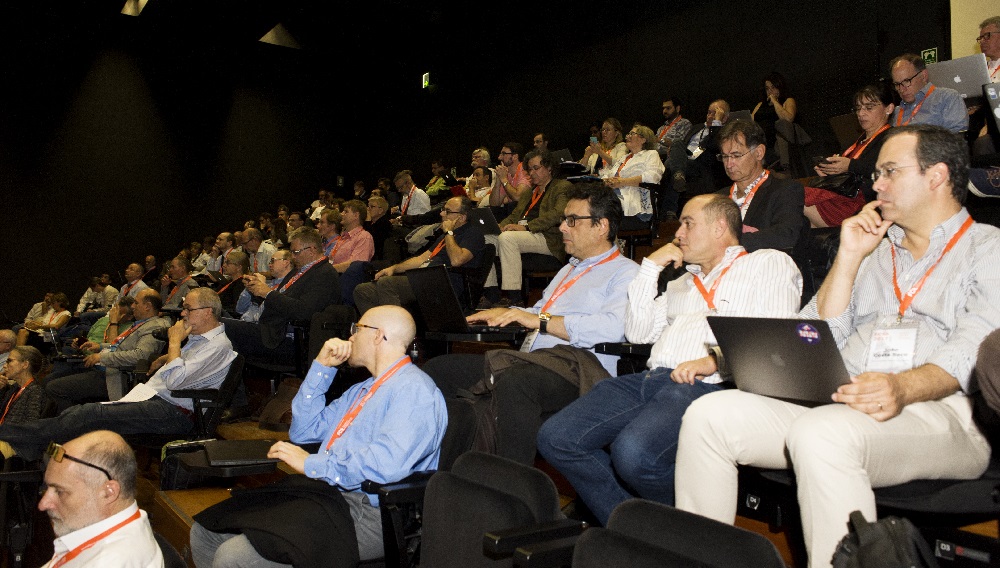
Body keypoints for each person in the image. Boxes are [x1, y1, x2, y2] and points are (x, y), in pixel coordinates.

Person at [674, 125, 1000, 568]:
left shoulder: (988, 247)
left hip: (947, 411)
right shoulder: (874, 252)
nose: (875, 183)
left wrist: (901, 387)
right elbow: (812, 331)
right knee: (709, 416)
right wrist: (847, 258)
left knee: (819, 433)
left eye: (889, 172)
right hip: (844, 398)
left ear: (937, 176)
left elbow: (976, 347)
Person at [537, 194, 801, 524]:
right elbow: (637, 332)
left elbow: (773, 336)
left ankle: (679, 532)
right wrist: (648, 270)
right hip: (653, 380)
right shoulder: (682, 282)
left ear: (720, 228)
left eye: (688, 223)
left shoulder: (767, 264)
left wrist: (713, 360)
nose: (679, 233)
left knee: (633, 453)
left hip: (709, 384)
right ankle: (636, 527)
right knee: (557, 437)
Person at [189, 306, 447, 567]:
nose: (351, 337)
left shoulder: (414, 391)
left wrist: (313, 464)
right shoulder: (362, 390)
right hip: (332, 497)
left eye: (357, 329)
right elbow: (304, 431)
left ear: (379, 336)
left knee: (234, 557)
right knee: (206, 532)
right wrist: (321, 368)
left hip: (375, 514)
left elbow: (386, 466)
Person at [435, 184, 639, 465]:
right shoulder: (569, 269)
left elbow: (613, 328)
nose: (562, 228)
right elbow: (538, 312)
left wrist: (538, 319)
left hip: (580, 371)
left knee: (517, 383)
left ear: (601, 226)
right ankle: (447, 472)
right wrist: (504, 311)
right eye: (563, 220)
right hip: (536, 363)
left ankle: (512, 487)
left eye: (571, 221)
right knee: (440, 369)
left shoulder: (627, 272)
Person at [0, 288, 237, 462]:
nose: (183, 314)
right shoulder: (200, 340)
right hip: (154, 399)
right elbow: (186, 369)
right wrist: (167, 357)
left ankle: (13, 437)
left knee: (88, 413)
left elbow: (176, 381)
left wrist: (173, 343)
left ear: (207, 312)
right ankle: (29, 447)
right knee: (78, 414)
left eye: (188, 309)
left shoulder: (217, 346)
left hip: (175, 412)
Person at [38, 430, 164, 567]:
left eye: (60, 492)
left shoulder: (108, 562)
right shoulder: (121, 523)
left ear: (109, 493)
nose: (43, 504)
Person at [223, 228, 340, 364]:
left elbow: (305, 312)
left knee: (219, 326)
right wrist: (258, 290)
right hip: (269, 328)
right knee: (217, 322)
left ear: (312, 250)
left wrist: (267, 293)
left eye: (296, 252)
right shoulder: (299, 271)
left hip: (285, 339)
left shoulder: (324, 274)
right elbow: (279, 299)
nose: (293, 256)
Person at [354, 196, 485, 314]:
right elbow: (422, 258)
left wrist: (449, 233)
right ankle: (377, 332)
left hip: (443, 284)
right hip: (423, 278)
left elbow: (457, 260)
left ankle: (397, 333)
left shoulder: (473, 234)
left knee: (387, 283)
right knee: (362, 291)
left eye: (448, 211)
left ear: (462, 217)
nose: (441, 213)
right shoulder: (445, 236)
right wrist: (394, 268)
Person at [45, 289, 169, 410]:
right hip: (102, 368)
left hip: (113, 376)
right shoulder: (141, 323)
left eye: (136, 302)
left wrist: (102, 357)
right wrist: (99, 346)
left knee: (54, 388)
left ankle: (71, 426)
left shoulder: (154, 326)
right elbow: (120, 346)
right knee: (47, 380)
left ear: (147, 306)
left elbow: (140, 356)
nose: (132, 306)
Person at [806, 83, 895, 228]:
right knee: (795, 206)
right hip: (844, 198)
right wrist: (830, 173)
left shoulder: (893, 138)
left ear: (889, 108)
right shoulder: (858, 140)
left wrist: (849, 165)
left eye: (869, 107)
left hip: (860, 205)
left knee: (793, 194)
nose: (861, 113)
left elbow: (886, 171)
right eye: (858, 108)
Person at [494, 149, 571, 306]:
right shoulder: (529, 192)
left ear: (549, 167)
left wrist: (528, 227)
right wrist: (499, 226)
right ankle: (491, 295)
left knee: (507, 238)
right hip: (525, 235)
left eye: (536, 168)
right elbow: (514, 216)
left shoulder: (562, 186)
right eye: (530, 169)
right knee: (489, 238)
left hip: (548, 237)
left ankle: (514, 299)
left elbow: (558, 214)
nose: (532, 173)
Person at [716, 119, 806, 253]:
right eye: (724, 157)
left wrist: (729, 243)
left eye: (736, 155)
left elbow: (786, 235)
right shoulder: (717, 198)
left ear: (759, 152)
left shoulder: (785, 190)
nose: (729, 164)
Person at [601, 124, 665, 230]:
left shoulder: (651, 154)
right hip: (613, 198)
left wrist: (623, 182)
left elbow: (652, 177)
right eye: (628, 133)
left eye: (632, 133)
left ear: (643, 139)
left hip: (633, 206)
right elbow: (608, 174)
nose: (628, 136)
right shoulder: (624, 158)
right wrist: (606, 181)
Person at [890, 53, 967, 133]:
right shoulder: (895, 112)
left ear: (924, 76)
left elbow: (957, 138)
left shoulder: (947, 98)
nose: (902, 89)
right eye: (897, 84)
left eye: (906, 81)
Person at [668, 99, 730, 196]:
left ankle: (678, 174)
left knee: (670, 164)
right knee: (677, 143)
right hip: (687, 157)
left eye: (715, 114)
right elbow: (683, 146)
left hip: (702, 162)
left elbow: (714, 145)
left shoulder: (725, 132)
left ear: (724, 118)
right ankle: (678, 174)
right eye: (709, 112)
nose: (710, 116)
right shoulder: (696, 128)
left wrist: (717, 123)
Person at [751, 72, 798, 170]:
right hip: (761, 139)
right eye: (767, 88)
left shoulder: (787, 101)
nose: (770, 91)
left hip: (778, 141)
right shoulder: (760, 105)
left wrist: (775, 102)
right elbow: (750, 121)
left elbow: (788, 119)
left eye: (773, 87)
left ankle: (785, 166)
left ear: (779, 87)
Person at [0, 346, 47, 434]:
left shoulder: (35, 392)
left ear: (25, 365)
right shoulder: (14, 387)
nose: (5, 366)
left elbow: (29, 428)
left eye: (9, 361)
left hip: (12, 442)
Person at [329, 200, 375, 273]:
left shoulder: (364, 237)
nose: (342, 214)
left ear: (356, 215)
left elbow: (356, 265)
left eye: (346, 212)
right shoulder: (343, 236)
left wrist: (327, 270)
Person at [655, 97, 693, 162]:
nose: (664, 111)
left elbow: (679, 145)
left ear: (677, 109)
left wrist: (660, 140)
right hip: (654, 157)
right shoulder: (661, 128)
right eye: (663, 108)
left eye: (668, 108)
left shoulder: (684, 124)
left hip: (670, 158)